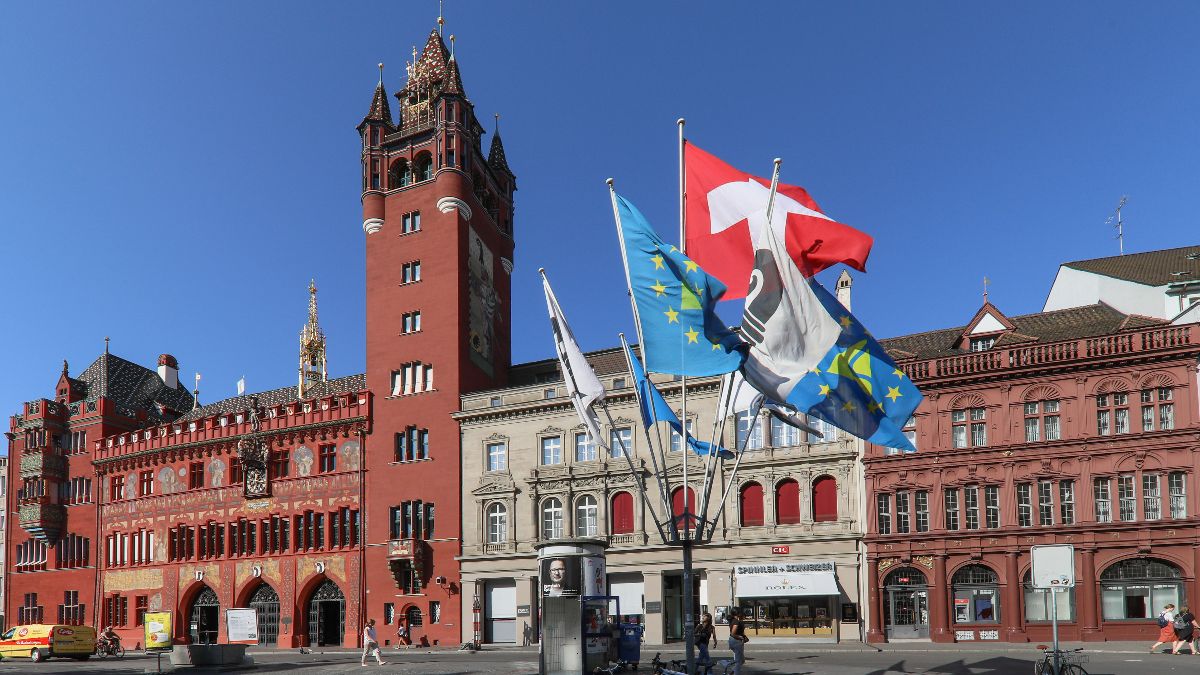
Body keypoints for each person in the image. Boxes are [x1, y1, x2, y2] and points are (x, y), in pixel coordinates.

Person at [727, 608, 748, 675]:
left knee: (741, 660)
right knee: (738, 661)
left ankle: (733, 672)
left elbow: (738, 632)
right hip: (736, 641)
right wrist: (741, 637)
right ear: (738, 613)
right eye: (741, 612)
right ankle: (735, 673)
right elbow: (733, 633)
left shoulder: (734, 620)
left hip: (734, 641)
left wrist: (744, 637)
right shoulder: (736, 621)